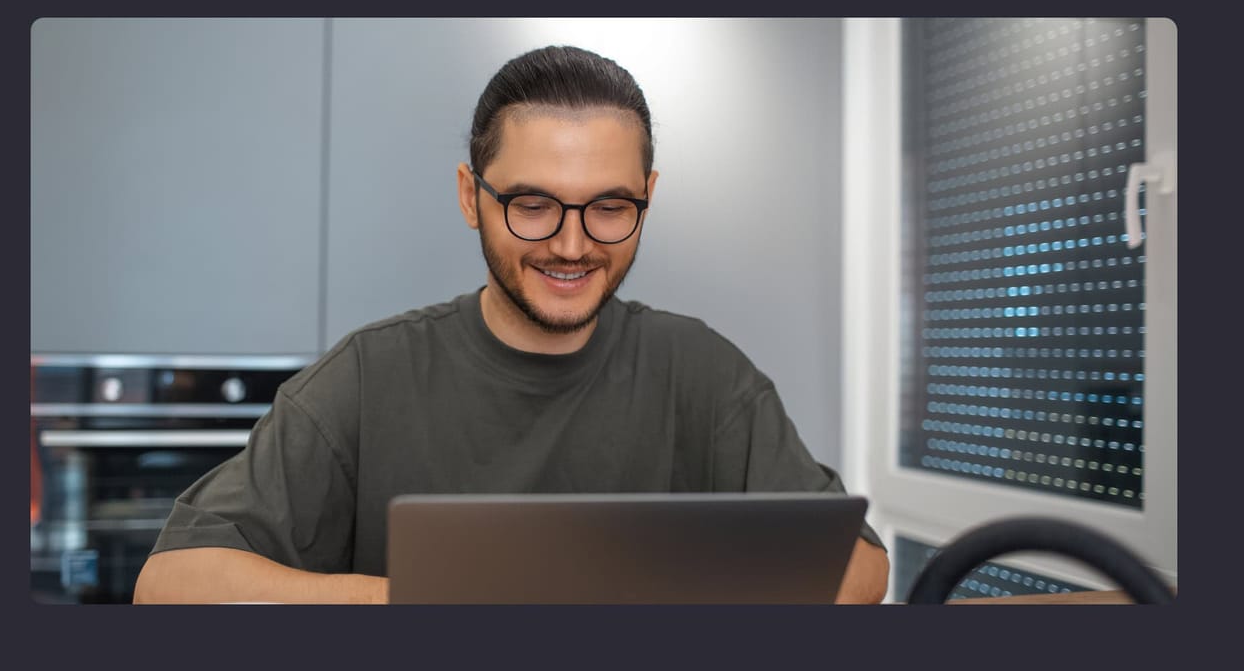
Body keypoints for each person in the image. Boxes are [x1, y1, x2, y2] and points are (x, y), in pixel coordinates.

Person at [133, 44, 890, 604]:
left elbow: (861, 567)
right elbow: (169, 585)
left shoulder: (703, 371)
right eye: (532, 204)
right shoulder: (369, 378)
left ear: (648, 195)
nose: (571, 243)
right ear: (472, 196)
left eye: (610, 206)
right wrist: (417, 604)